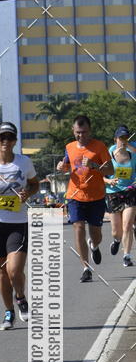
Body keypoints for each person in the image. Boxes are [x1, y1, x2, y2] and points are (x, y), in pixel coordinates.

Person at [0, 122, 40, 330]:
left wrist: (27, 194)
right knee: (2, 272)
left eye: (9, 138)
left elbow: (35, 184)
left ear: (15, 141)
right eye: (1, 137)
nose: (5, 141)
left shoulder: (24, 162)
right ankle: (8, 311)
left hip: (18, 223)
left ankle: (20, 297)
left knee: (14, 269)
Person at [57, 115, 113, 282]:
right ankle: (86, 268)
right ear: (73, 131)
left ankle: (94, 246)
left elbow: (110, 170)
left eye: (84, 132)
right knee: (78, 227)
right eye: (78, 133)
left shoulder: (99, 147)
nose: (81, 136)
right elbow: (67, 165)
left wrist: (94, 165)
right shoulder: (69, 147)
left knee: (96, 234)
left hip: (96, 197)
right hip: (75, 195)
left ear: (90, 131)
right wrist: (62, 167)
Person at [105, 126, 136, 267]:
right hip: (113, 192)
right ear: (115, 139)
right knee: (116, 231)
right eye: (121, 138)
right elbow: (100, 174)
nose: (123, 140)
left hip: (130, 191)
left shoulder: (133, 148)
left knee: (127, 225)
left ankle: (127, 256)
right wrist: (109, 180)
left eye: (126, 137)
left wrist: (128, 145)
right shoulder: (109, 152)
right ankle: (117, 241)